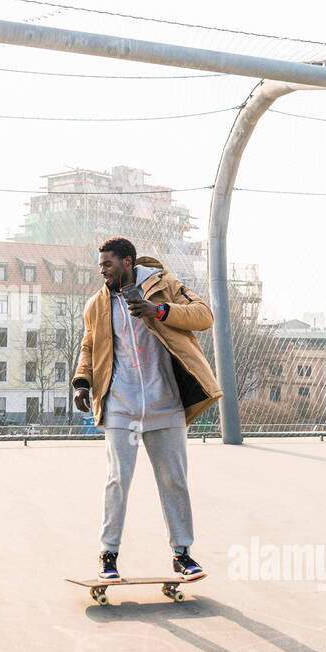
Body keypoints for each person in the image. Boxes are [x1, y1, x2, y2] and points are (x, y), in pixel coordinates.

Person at [72, 237, 224, 584]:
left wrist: (159, 311)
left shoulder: (163, 285)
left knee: (174, 480)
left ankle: (182, 554)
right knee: (117, 480)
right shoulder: (98, 303)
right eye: (100, 265)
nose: (102, 271)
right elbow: (89, 344)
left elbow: (204, 316)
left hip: (164, 401)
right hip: (121, 405)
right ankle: (108, 555)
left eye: (107, 264)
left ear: (127, 262)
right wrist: (82, 381)